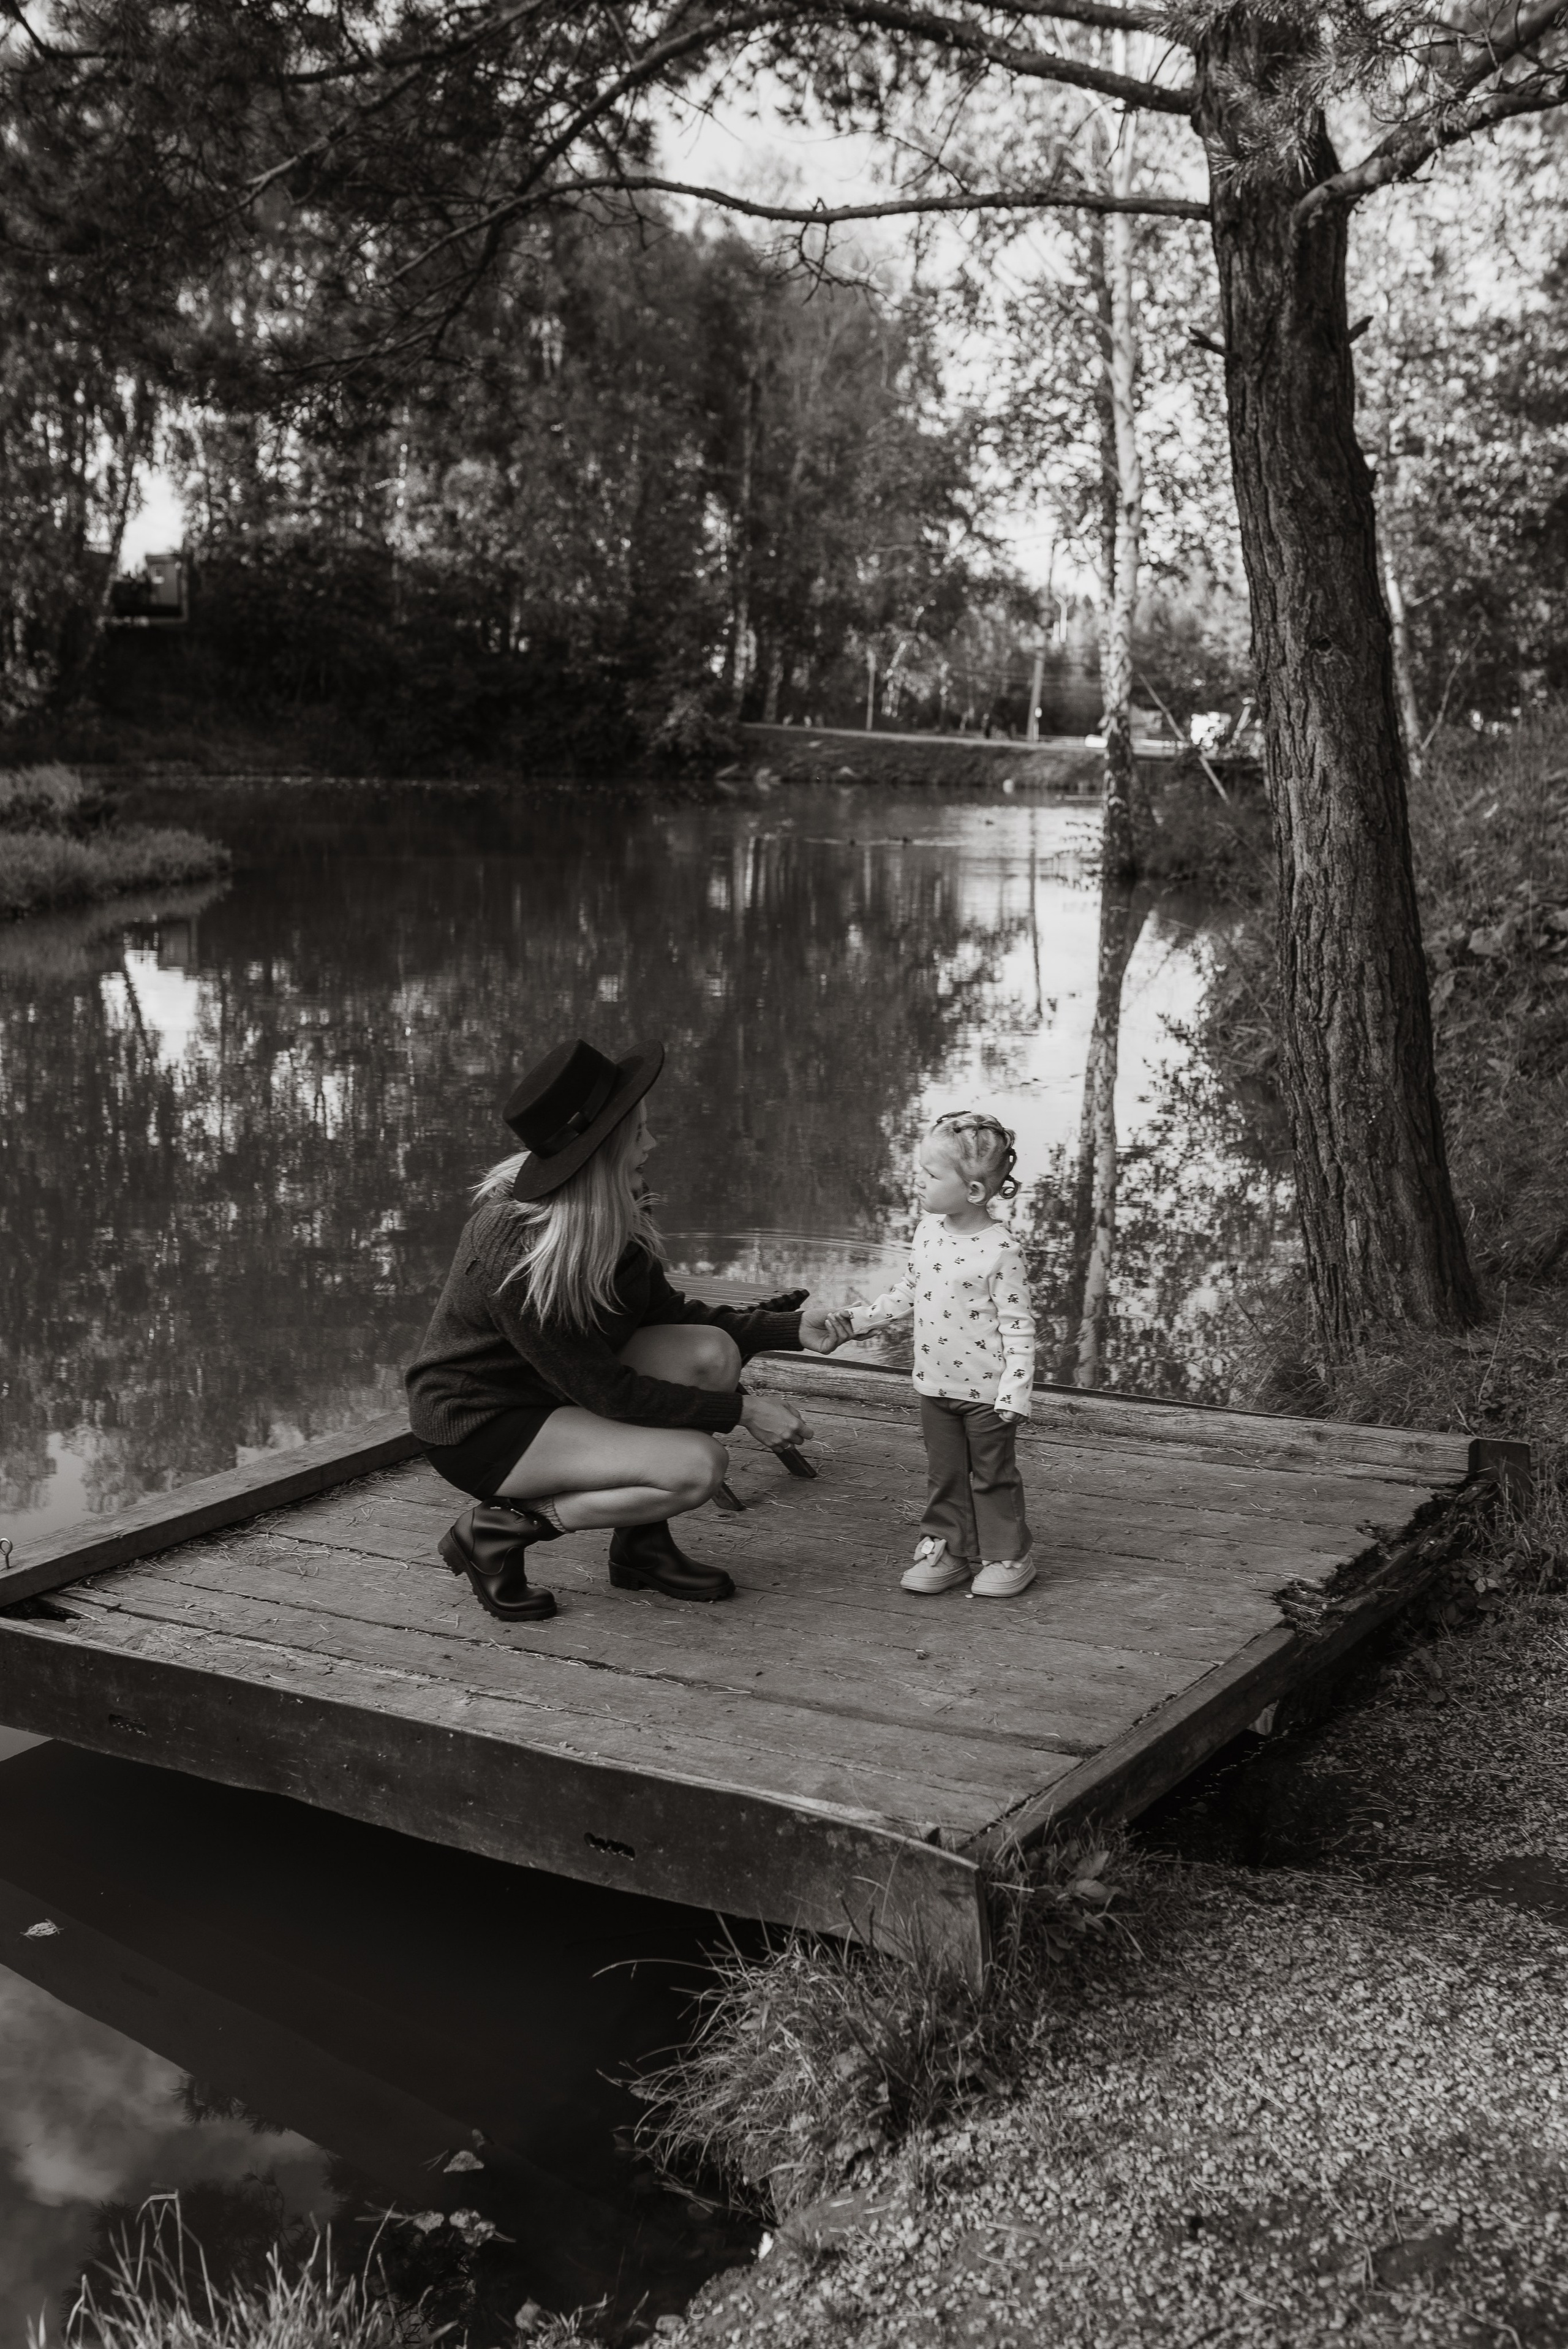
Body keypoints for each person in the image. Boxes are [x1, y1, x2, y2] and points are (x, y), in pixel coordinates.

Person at [406, 1038, 836, 1623]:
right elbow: (607, 1391)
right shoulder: (516, 1251)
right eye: (638, 1134)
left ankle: (641, 1550)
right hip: (483, 1420)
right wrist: (744, 1411)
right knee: (696, 1467)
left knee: (710, 1353)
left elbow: (665, 1313)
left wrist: (791, 1328)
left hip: (559, 1386)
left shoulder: (620, 1202)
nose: (651, 1145)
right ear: (601, 1151)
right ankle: (500, 1531)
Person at [832, 1110, 1036, 1597]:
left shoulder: (1002, 1250)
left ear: (973, 1190)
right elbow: (909, 1288)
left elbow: (1018, 1326)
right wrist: (861, 1320)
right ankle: (949, 1548)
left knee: (992, 1476)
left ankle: (1009, 1555)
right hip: (933, 1384)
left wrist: (1015, 1392)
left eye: (931, 1174)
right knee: (944, 1475)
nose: (918, 1181)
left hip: (986, 1394)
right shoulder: (928, 1230)